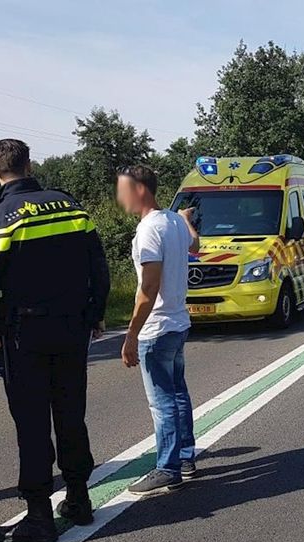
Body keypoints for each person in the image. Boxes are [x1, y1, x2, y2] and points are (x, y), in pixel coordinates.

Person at [0, 139, 110, 542]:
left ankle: (38, 516)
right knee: (71, 413)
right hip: (72, 328)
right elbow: (97, 265)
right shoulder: (69, 205)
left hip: (25, 334)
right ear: (30, 166)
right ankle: (79, 499)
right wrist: (96, 312)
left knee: (32, 424)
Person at [116, 165, 199, 496]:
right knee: (178, 393)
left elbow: (148, 288)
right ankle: (186, 457)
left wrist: (131, 336)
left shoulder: (150, 230)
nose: (119, 198)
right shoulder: (176, 221)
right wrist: (188, 220)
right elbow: (194, 247)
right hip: (179, 322)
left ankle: (167, 467)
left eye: (122, 190)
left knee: (162, 401)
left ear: (139, 190)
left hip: (158, 326)